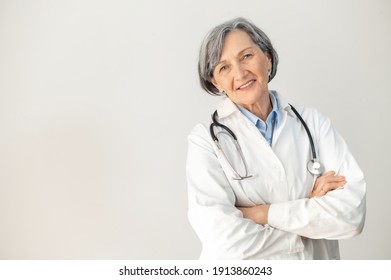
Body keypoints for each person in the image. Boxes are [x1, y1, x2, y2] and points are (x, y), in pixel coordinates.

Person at [186, 17, 366, 260]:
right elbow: (223, 241)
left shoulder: (313, 123)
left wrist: (261, 214)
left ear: (267, 58)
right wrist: (306, 221)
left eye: (247, 56)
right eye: (224, 67)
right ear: (214, 82)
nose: (240, 73)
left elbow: (351, 216)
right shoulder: (206, 141)